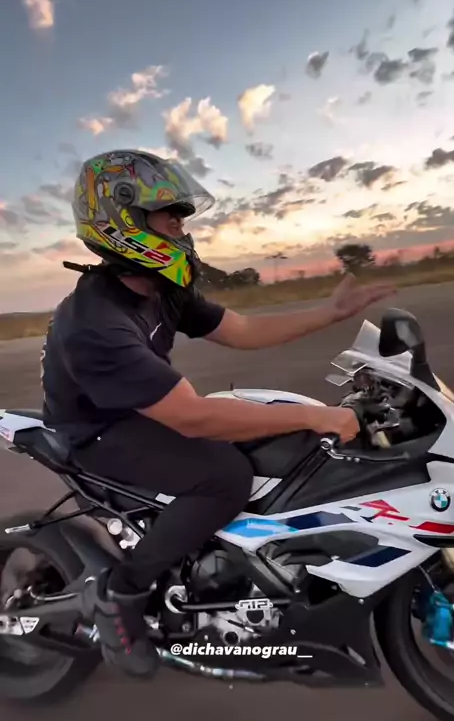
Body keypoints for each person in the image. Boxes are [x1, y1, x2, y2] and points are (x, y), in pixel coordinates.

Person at [41, 149, 394, 678]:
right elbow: (192, 417)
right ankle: (122, 592)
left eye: (182, 216)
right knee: (223, 477)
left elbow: (242, 331)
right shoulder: (96, 322)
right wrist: (317, 417)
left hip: (140, 408)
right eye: (168, 215)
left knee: (268, 433)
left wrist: (330, 313)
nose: (181, 227)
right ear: (122, 220)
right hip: (98, 432)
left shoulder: (159, 288)